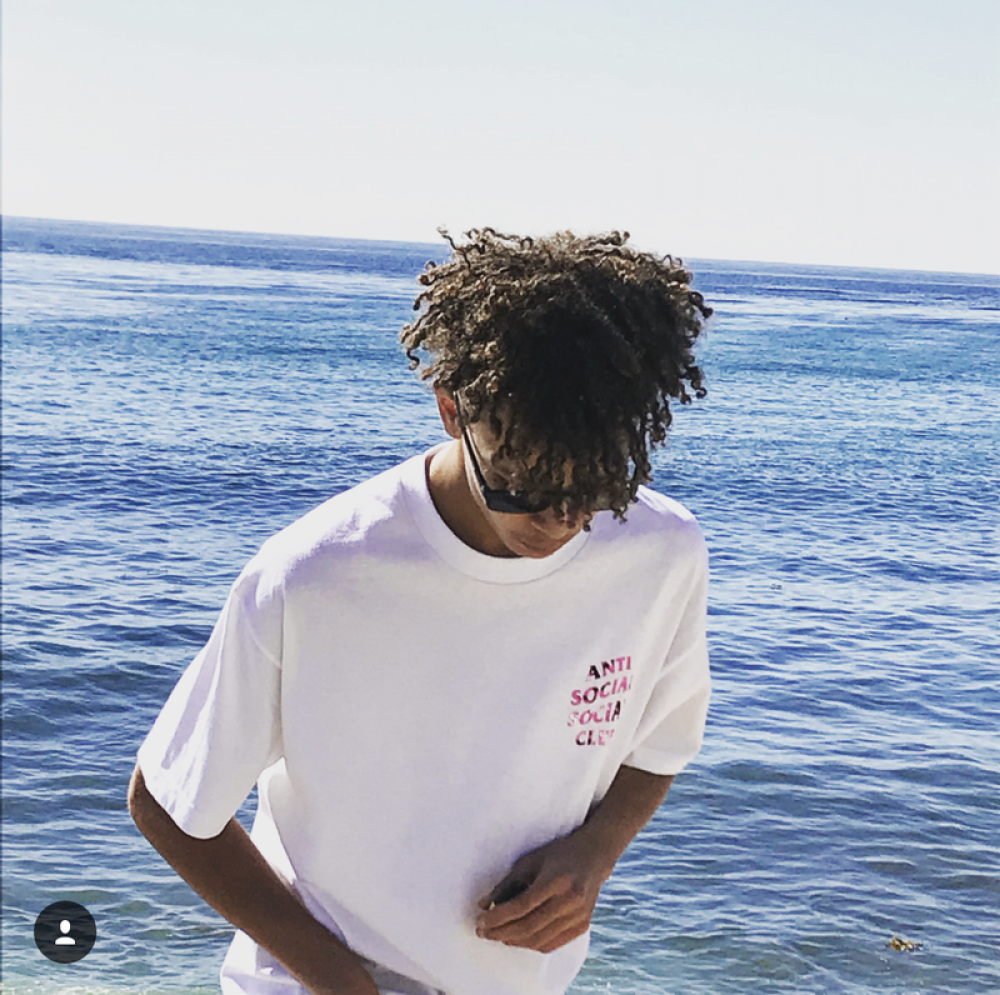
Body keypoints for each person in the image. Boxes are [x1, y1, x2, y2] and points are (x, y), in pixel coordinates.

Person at [129, 228, 714, 995]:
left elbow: (660, 742)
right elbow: (166, 800)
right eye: (524, 484)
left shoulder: (661, 553)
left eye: (594, 489)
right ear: (451, 410)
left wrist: (594, 851)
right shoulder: (317, 574)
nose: (559, 520)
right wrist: (342, 980)